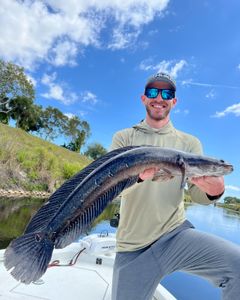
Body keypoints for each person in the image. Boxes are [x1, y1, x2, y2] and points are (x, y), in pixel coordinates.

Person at [110, 72, 240, 300]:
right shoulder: (124, 138)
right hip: (133, 246)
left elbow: (198, 196)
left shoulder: (189, 143)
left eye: (167, 93)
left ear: (174, 101)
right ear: (143, 98)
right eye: (153, 92)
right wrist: (139, 177)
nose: (159, 97)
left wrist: (215, 191)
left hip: (175, 236)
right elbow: (113, 190)